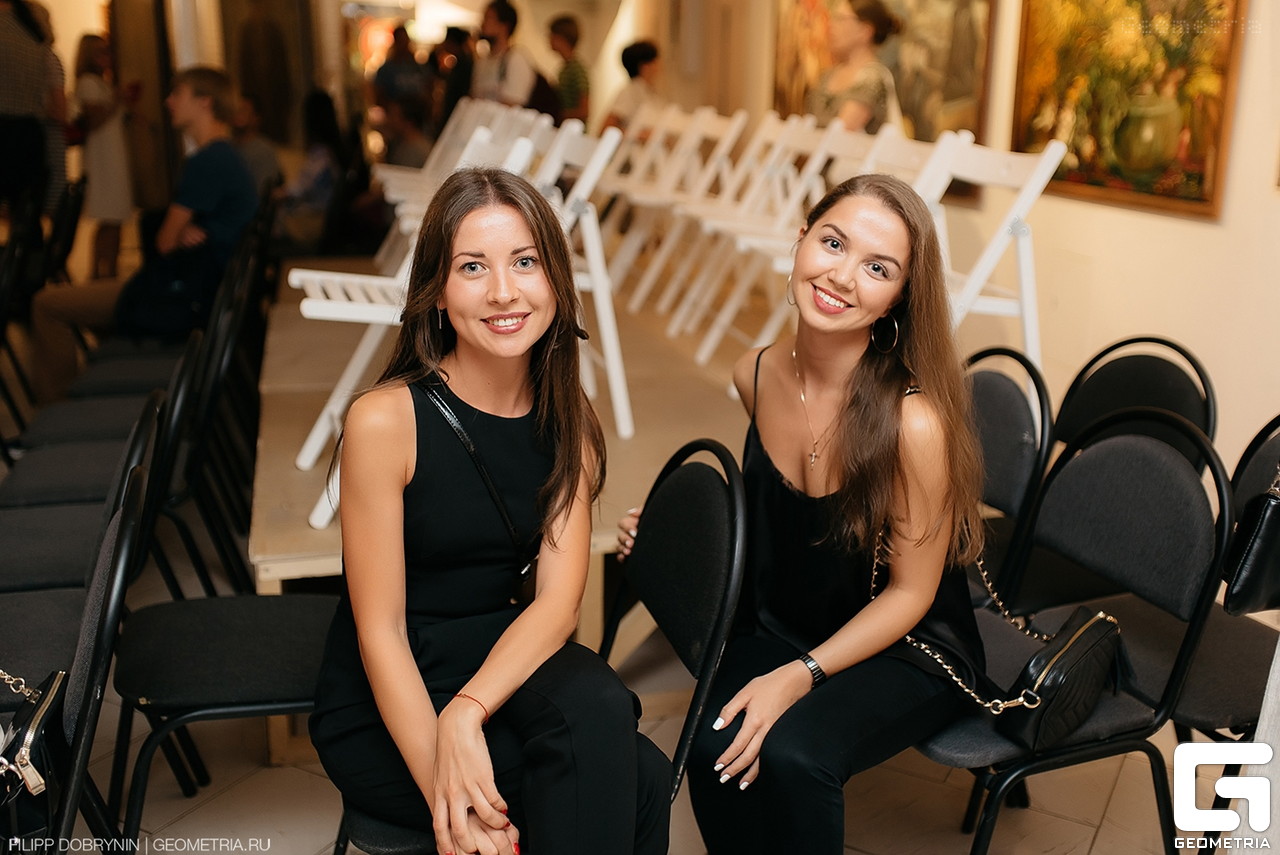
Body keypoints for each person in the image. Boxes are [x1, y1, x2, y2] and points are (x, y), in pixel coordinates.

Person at [617, 173, 986, 854]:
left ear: (899, 297)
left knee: (792, 756)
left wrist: (798, 677)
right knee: (714, 746)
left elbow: (911, 594)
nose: (841, 276)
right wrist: (670, 532)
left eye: (877, 268)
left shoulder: (913, 424)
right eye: (833, 243)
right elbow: (776, 522)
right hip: (784, 620)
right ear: (800, 240)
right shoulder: (754, 373)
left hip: (905, 646)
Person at [310, 167, 671, 855]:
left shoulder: (570, 420)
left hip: (500, 660)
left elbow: (557, 605)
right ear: (437, 291)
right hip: (393, 689)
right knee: (639, 778)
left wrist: (468, 712)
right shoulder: (386, 420)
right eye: (472, 267)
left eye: (525, 262)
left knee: (603, 714)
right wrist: (444, 785)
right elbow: (380, 631)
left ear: (557, 281)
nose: (504, 291)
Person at [30, 65, 256, 403]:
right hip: (199, 289)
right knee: (89, 304)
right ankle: (100, 383)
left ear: (205, 102)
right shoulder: (226, 155)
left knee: (47, 304)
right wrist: (187, 231)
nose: (168, 101)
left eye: (177, 93)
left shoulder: (208, 161)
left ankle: (55, 409)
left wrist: (183, 233)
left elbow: (164, 242)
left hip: (184, 297)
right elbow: (179, 235)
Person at [74, 33, 134, 278]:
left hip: (113, 157)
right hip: (103, 160)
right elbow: (94, 121)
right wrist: (116, 100)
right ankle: (99, 273)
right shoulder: (88, 83)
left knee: (116, 217)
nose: (107, 57)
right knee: (108, 218)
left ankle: (109, 271)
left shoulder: (103, 83)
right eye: (101, 52)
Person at [0, 0, 50, 279]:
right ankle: (29, 286)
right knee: (29, 221)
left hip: (6, 128)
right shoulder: (35, 18)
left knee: (24, 219)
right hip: (30, 132)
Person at [806, 0, 904, 133]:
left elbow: (841, 132)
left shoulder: (873, 78)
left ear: (865, 31)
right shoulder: (827, 76)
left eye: (841, 19)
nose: (831, 25)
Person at [273, 88, 344, 255]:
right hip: (320, 219)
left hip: (313, 222)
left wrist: (276, 194)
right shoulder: (334, 151)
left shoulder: (321, 154)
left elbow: (298, 189)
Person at [470, 1, 534, 108]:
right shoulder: (482, 61)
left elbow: (513, 104)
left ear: (504, 26)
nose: (482, 24)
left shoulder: (515, 59)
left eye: (488, 18)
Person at [602, 40, 661, 133]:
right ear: (645, 66)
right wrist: (637, 134)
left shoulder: (649, 92)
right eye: (655, 61)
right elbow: (607, 128)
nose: (659, 66)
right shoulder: (629, 92)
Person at [232, 92, 282, 195]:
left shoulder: (264, 151)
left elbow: (261, 193)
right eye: (236, 110)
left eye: (244, 110)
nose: (238, 114)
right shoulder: (228, 146)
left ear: (256, 118)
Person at [374, 23, 427, 108]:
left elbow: (427, 88)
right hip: (396, 113)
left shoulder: (417, 67)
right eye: (401, 41)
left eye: (405, 40)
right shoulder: (387, 70)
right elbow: (379, 96)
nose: (404, 45)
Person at [548, 15, 588, 124]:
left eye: (552, 35)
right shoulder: (566, 68)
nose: (549, 39)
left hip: (573, 129)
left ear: (561, 38)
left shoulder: (576, 70)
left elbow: (584, 111)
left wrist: (557, 114)